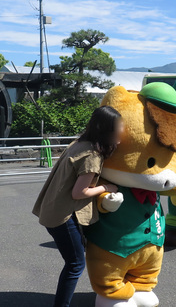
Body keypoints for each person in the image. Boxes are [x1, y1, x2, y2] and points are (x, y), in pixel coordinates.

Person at [32, 105, 124, 307]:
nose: (122, 131)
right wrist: (106, 187)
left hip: (54, 209)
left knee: (75, 258)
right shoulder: (92, 155)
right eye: (119, 128)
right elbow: (79, 193)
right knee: (75, 264)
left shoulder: (79, 143)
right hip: (63, 217)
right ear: (107, 130)